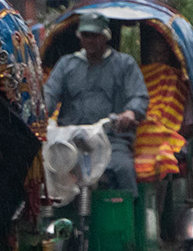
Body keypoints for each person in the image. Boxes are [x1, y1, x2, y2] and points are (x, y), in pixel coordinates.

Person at [43, 13, 148, 190]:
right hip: (71, 141)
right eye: (86, 35)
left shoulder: (124, 64)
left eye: (95, 35)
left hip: (110, 141)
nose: (90, 40)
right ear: (79, 37)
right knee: (45, 171)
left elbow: (139, 96)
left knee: (123, 168)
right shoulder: (66, 65)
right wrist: (39, 113)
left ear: (106, 36)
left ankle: (128, 215)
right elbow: (49, 95)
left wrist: (130, 113)